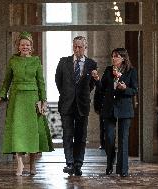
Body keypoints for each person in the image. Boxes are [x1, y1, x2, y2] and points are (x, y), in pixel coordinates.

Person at [0, 32, 53, 176]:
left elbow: (41, 82)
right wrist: (0, 97)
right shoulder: (13, 61)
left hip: (33, 99)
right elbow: (7, 81)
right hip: (17, 98)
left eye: (27, 44)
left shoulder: (36, 61)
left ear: (31, 47)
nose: (25, 46)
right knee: (18, 131)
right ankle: (19, 163)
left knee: (32, 133)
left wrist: (43, 100)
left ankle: (32, 164)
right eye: (22, 44)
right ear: (18, 47)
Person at [55, 36, 99, 176]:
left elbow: (91, 85)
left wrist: (81, 95)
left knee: (80, 136)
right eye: (75, 46)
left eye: (80, 47)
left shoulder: (91, 64)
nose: (77, 49)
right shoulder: (63, 62)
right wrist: (68, 94)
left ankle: (78, 164)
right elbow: (58, 81)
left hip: (82, 104)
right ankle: (69, 163)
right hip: (66, 104)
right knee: (67, 135)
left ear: (85, 47)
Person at [100, 48, 138, 176]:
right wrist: (96, 79)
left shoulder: (131, 71)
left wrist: (125, 88)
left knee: (123, 139)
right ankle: (110, 163)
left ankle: (123, 170)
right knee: (109, 139)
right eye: (112, 56)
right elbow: (102, 87)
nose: (113, 58)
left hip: (125, 109)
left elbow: (134, 90)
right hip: (109, 108)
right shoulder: (108, 70)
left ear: (123, 58)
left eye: (116, 56)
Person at [93, 83, 105, 150]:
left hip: (110, 108)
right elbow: (96, 97)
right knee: (102, 127)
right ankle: (103, 144)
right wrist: (96, 108)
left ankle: (110, 144)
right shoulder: (100, 84)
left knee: (111, 127)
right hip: (102, 109)